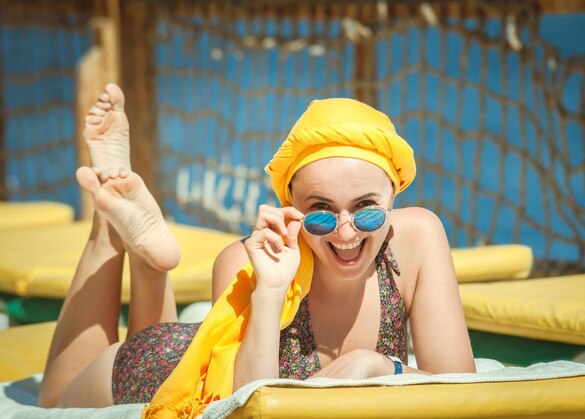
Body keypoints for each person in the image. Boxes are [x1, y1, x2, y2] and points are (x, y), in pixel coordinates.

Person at [39, 83, 475, 415]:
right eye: (321, 211)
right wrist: (269, 290)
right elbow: (239, 410)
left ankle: (150, 263)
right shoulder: (249, 260)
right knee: (52, 401)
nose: (345, 232)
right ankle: (110, 215)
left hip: (198, 362)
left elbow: (465, 391)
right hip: (151, 368)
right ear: (291, 209)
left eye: (367, 211)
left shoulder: (416, 238)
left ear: (394, 199)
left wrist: (379, 368)